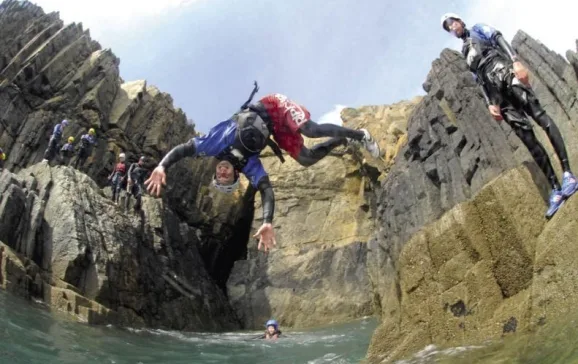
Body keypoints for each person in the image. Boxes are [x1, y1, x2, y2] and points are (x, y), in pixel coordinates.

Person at [145, 83, 380, 252]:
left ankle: (360, 135)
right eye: (226, 178)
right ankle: (341, 140)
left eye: (220, 174)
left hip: (272, 106)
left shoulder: (213, 145)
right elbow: (266, 189)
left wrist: (162, 166)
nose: (223, 173)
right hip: (276, 131)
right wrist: (267, 221)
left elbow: (184, 149)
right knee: (306, 158)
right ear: (237, 174)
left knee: (310, 130)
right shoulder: (249, 164)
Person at [441, 13, 578, 218]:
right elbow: (479, 80)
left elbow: (498, 39)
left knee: (541, 118)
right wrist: (489, 104)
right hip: (497, 96)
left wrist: (515, 61)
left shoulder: (479, 29)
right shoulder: (465, 52)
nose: (452, 27)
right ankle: (555, 188)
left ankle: (568, 174)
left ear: (460, 21)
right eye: (448, 27)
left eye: (452, 22)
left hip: (506, 74)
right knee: (529, 141)